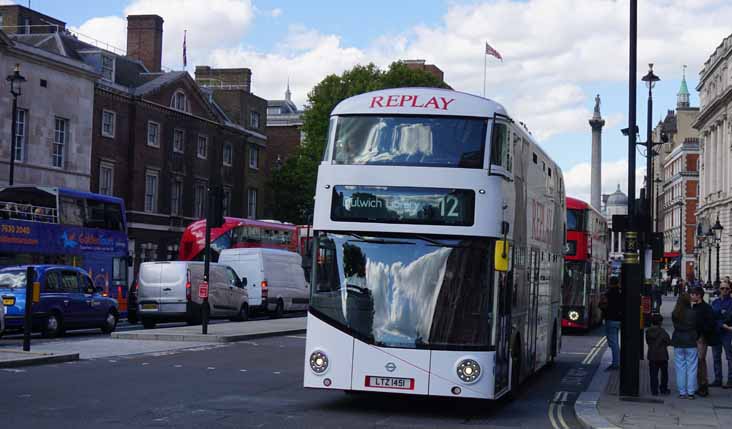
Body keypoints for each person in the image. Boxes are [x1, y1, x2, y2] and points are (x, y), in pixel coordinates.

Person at [690, 286, 719, 397]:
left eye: (693, 294)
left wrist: (702, 332)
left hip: (701, 337)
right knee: (698, 361)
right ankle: (701, 385)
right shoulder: (695, 307)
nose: (691, 296)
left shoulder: (706, 308)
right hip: (696, 337)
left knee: (700, 360)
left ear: (699, 295)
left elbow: (710, 323)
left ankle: (703, 385)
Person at [672, 293, 699, 399]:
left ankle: (682, 392)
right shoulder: (693, 313)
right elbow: (696, 326)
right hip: (691, 340)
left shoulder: (675, 313)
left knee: (680, 367)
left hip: (678, 340)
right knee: (692, 367)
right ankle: (691, 392)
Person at [712, 280, 732, 388]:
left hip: (728, 333)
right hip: (717, 332)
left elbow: (729, 316)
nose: (724, 290)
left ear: (730, 290)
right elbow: (712, 317)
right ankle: (718, 379)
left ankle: (730, 380)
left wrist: (720, 319)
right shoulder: (715, 302)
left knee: (729, 357)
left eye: (727, 288)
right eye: (722, 288)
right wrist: (721, 323)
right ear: (719, 289)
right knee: (716, 357)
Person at [600, 276, 622, 371]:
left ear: (610, 283)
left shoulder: (607, 294)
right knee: (614, 342)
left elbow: (601, 305)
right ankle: (617, 361)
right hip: (619, 319)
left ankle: (615, 363)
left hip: (611, 320)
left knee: (613, 343)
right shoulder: (621, 293)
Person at [646, 314, 671, 395]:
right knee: (664, 374)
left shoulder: (648, 331)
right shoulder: (662, 332)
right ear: (660, 322)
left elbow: (648, 342)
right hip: (662, 356)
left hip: (652, 355)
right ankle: (663, 389)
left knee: (653, 374)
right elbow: (668, 342)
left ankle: (654, 390)